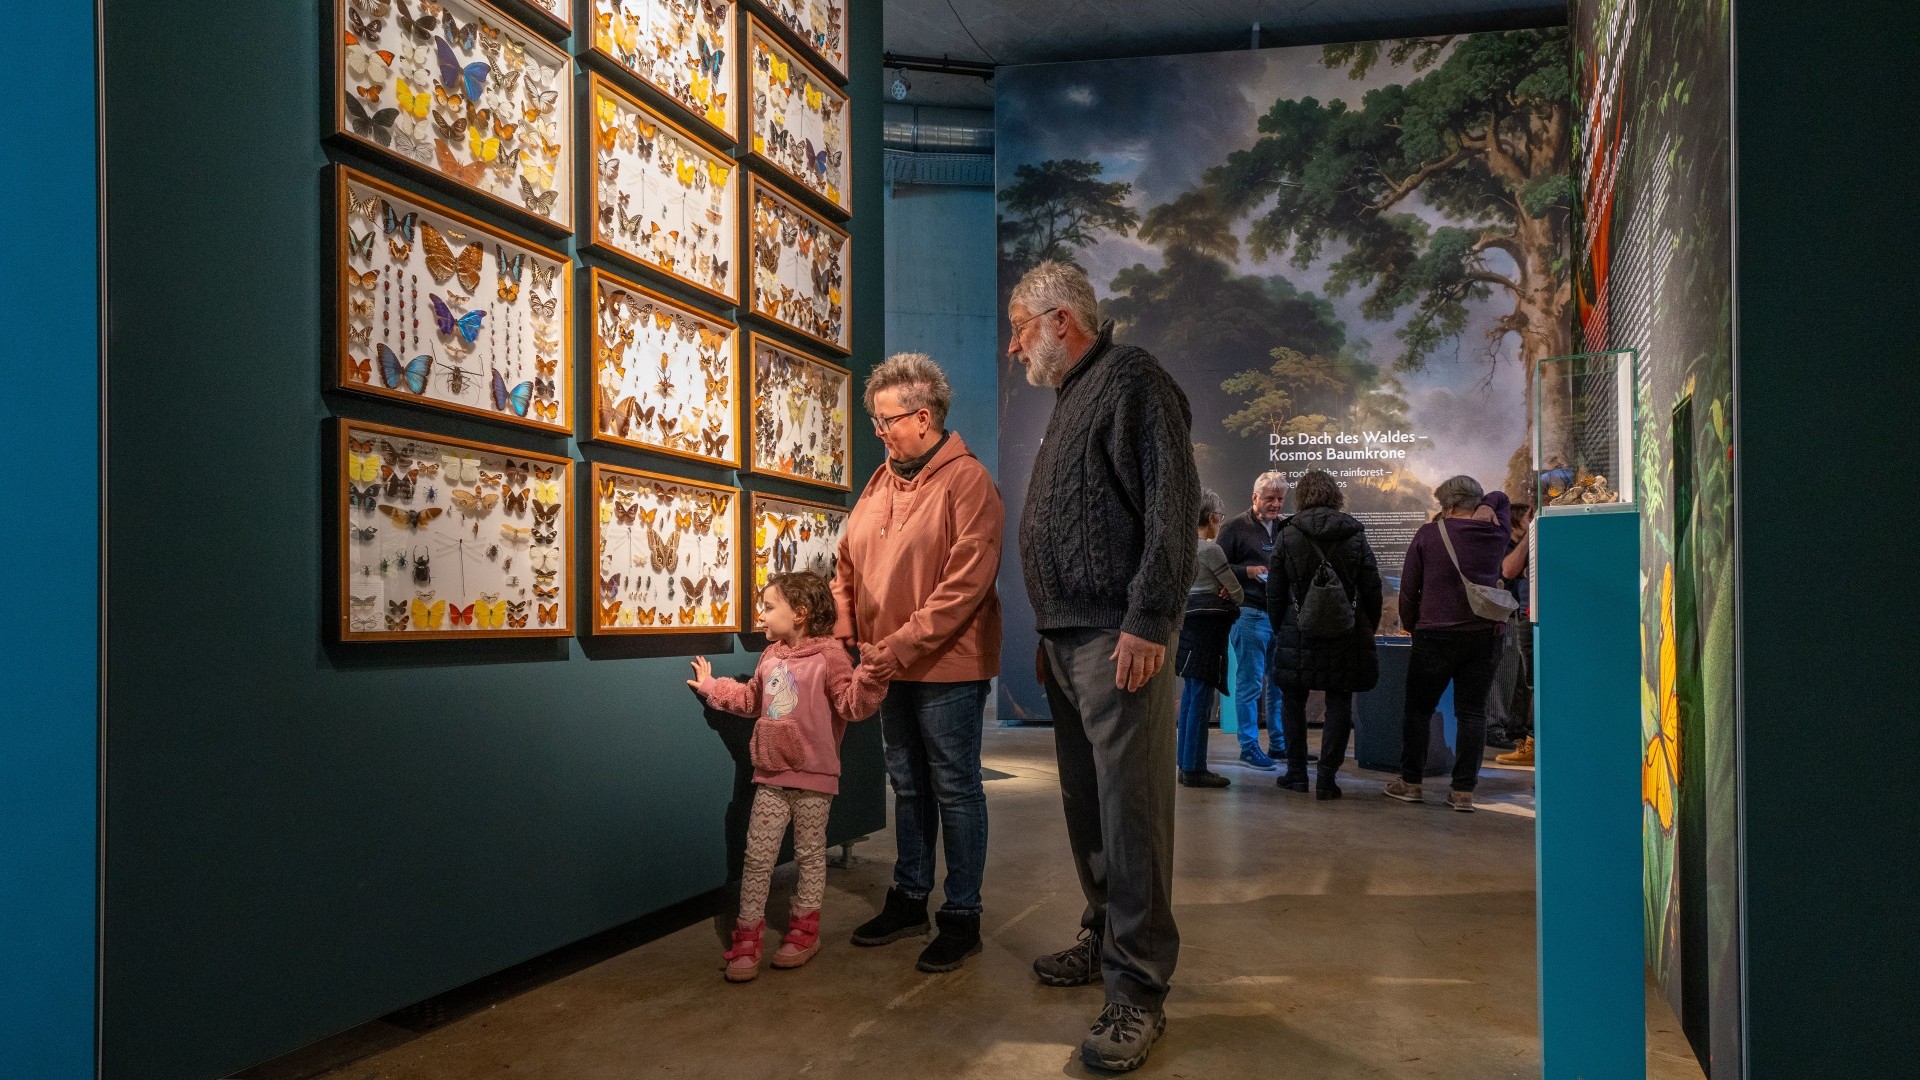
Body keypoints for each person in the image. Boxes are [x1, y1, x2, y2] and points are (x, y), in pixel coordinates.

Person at [1010, 260, 1201, 1073]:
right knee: (1088, 807)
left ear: (1061, 319)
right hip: (1069, 638)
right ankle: (1104, 934)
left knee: (1132, 815)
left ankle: (1138, 991)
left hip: (1118, 638)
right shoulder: (1073, 396)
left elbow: (1171, 507)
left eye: (1020, 327)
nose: (1013, 345)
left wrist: (1149, 618)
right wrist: (1051, 625)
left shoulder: (1132, 378)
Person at [832, 352, 1004, 974]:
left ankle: (962, 914)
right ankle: (909, 899)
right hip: (887, 664)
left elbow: (964, 588)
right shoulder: (879, 482)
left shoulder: (969, 482)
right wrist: (849, 629)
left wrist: (896, 645)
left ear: (924, 416)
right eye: (876, 421)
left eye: (887, 421)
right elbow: (845, 561)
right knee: (907, 785)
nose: (879, 432)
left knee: (954, 788)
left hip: (946, 666)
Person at [688, 572, 890, 982]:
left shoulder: (831, 657)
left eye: (768, 607)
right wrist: (711, 687)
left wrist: (872, 675)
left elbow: (851, 705)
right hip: (771, 776)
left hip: (815, 779)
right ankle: (747, 936)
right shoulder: (770, 657)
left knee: (810, 856)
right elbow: (750, 700)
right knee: (757, 859)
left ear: (799, 613)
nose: (761, 616)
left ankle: (804, 932)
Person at [1385, 478, 1512, 812]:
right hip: (1484, 635)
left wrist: (1411, 625)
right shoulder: (1496, 532)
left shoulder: (1429, 535)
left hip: (1435, 635)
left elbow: (1409, 588)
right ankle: (1462, 791)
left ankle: (1411, 782)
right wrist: (1488, 504)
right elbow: (1502, 498)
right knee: (1472, 713)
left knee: (1418, 710)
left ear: (1450, 505)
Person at [1264, 469, 1382, 797]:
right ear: (1335, 496)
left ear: (1301, 497)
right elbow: (1372, 587)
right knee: (1339, 701)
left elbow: (1275, 590)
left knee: (1292, 701)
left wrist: (1280, 626)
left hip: (1297, 629)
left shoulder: (1288, 535)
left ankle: (1297, 774)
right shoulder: (1354, 534)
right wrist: (1366, 626)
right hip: (1345, 631)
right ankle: (1327, 779)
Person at [1214, 472, 1291, 769]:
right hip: (1249, 614)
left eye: (1280, 499)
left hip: (1280, 616)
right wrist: (1248, 572)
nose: (1276, 504)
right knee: (1250, 685)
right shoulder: (1234, 527)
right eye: (1270, 498)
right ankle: (1248, 747)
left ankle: (1279, 745)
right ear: (1255, 497)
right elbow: (1216, 569)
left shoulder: (1286, 527)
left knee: (1279, 685)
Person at [1175, 489, 1241, 788]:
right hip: (1208, 631)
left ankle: (1185, 763)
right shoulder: (1211, 551)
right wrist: (1225, 591)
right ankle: (1194, 768)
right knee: (1202, 700)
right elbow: (1237, 593)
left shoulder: (1182, 548)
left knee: (1191, 697)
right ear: (1212, 517)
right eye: (1220, 517)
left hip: (1187, 627)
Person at [1495, 504, 1537, 766]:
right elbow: (1509, 570)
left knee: (1531, 682)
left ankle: (1530, 740)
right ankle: (1524, 739)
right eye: (1526, 518)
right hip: (1524, 615)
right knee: (1527, 681)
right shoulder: (1510, 545)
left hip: (1534, 615)